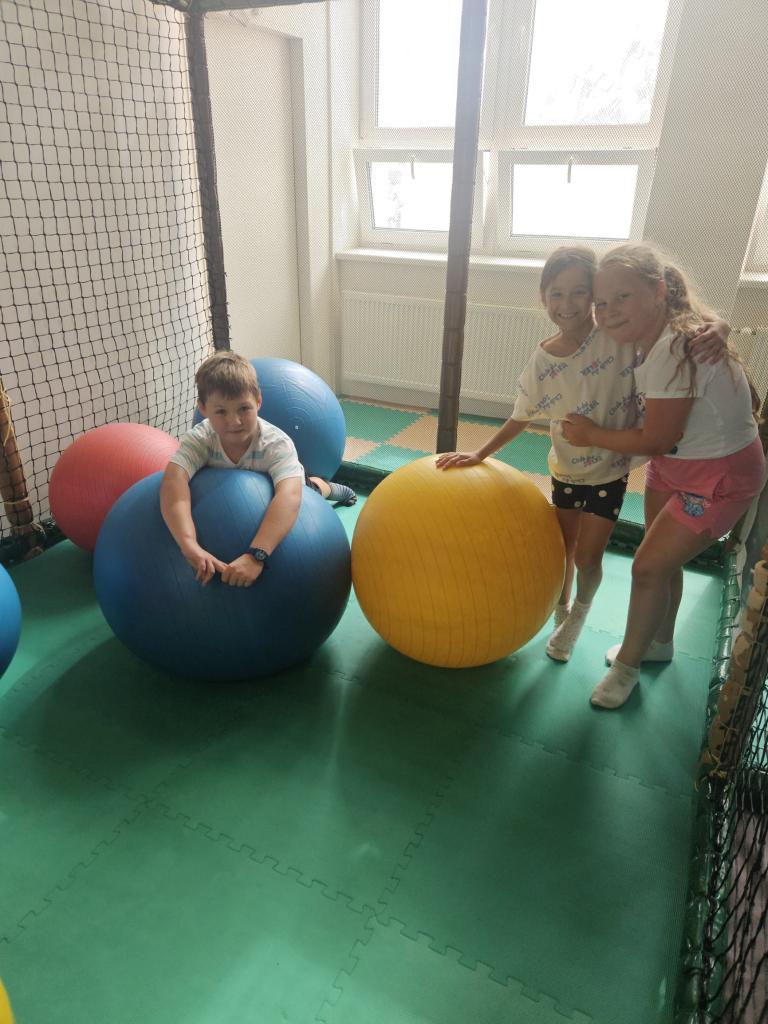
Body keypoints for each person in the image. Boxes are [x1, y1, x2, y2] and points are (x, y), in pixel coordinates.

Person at [436, 246, 730, 663]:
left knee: (589, 556)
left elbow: (676, 320)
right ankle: (560, 608)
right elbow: (521, 416)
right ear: (543, 298)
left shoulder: (617, 336)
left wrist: (720, 325)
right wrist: (479, 453)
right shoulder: (542, 360)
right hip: (565, 470)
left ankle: (578, 616)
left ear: (594, 296)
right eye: (556, 293)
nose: (567, 304)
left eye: (579, 292)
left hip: (610, 471)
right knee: (563, 549)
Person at [562, 244, 764, 709]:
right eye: (601, 303)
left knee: (648, 567)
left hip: (719, 476)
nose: (608, 312)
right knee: (662, 561)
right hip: (676, 463)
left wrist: (591, 435)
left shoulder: (674, 346)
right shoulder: (656, 331)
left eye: (622, 297)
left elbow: (655, 438)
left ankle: (626, 668)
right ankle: (659, 643)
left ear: (657, 291)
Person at [160, 351, 355, 588]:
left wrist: (256, 555)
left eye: (244, 408)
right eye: (221, 411)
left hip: (284, 486)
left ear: (259, 401)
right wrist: (188, 544)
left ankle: (332, 489)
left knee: (310, 490)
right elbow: (174, 480)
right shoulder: (200, 439)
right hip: (230, 498)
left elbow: (290, 495)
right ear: (203, 409)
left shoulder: (276, 444)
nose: (234, 421)